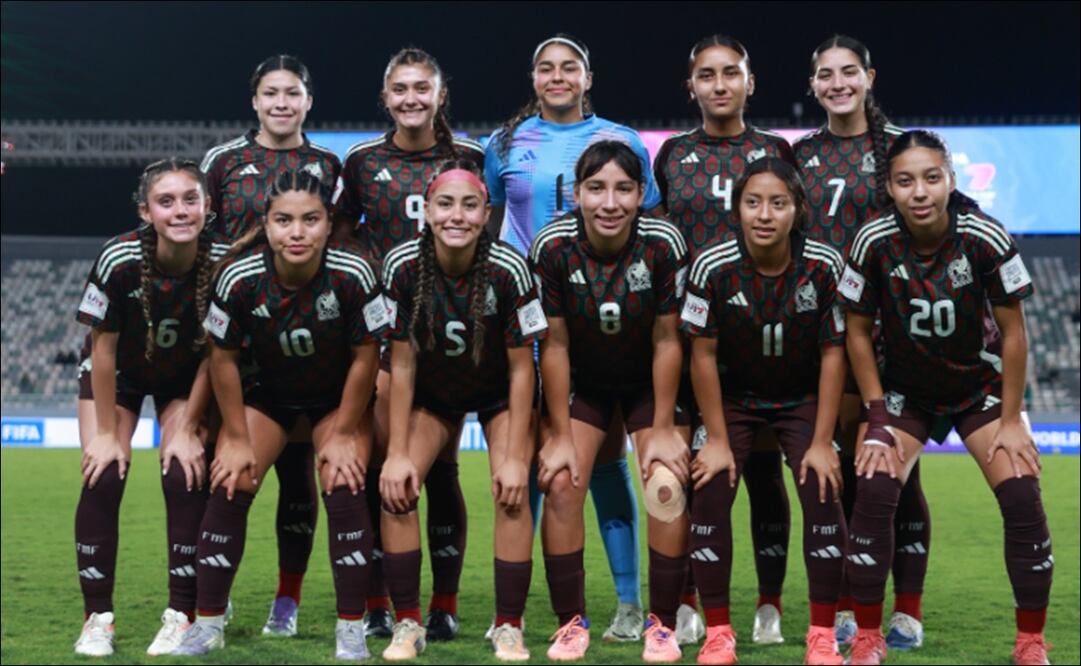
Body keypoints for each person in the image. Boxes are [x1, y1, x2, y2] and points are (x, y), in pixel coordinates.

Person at [839, 130, 1052, 665]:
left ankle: (1030, 642)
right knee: (873, 490)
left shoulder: (985, 236)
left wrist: (1009, 420)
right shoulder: (872, 240)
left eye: (931, 178)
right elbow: (857, 333)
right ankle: (868, 637)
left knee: (1023, 496)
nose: (919, 192)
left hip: (976, 389)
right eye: (905, 180)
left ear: (950, 181)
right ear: (889, 187)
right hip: (904, 393)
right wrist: (877, 414)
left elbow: (1014, 333)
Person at [485, 32, 662, 642]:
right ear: (533, 79)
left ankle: (630, 603)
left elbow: (645, 228)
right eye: (546, 68)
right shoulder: (504, 143)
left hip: (597, 324)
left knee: (606, 463)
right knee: (534, 462)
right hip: (527, 322)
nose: (557, 76)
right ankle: (514, 609)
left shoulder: (621, 141)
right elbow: (484, 226)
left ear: (588, 78)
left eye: (569, 68)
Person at [171, 170, 387, 660]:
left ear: (328, 224)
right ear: (266, 226)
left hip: (336, 400)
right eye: (284, 220)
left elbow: (366, 356)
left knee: (343, 475)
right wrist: (238, 438)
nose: (297, 232)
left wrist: (346, 431)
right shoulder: (240, 276)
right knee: (232, 476)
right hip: (267, 397)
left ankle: (350, 629)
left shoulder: (354, 274)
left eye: (310, 220)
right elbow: (222, 359)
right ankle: (207, 623)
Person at [332, 47, 485, 640]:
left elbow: (484, 231)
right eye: (401, 89)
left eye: (423, 87)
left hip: (451, 334)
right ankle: (380, 601)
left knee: (442, 467)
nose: (412, 98)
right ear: (386, 97)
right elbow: (343, 236)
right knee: (380, 466)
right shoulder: (364, 161)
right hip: (385, 332)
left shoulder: (467, 157)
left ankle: (442, 603)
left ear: (440, 95)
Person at [653, 33, 797, 643]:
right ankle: (686, 598)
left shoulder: (775, 151)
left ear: (749, 83)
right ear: (692, 86)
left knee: (764, 475)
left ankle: (768, 603)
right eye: (707, 75)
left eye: (730, 73)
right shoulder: (670, 156)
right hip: (692, 338)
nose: (719, 84)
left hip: (763, 335)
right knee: (694, 475)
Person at [681, 157, 849, 666]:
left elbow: (833, 354)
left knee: (822, 485)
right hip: (732, 401)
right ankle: (719, 633)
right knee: (709, 487)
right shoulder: (711, 266)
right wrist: (715, 438)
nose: (765, 214)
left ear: (797, 210)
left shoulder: (823, 265)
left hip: (801, 400)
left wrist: (822, 441)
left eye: (778, 203)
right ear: (737, 210)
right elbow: (702, 355)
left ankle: (821, 635)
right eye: (753, 202)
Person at [377, 160, 545, 661]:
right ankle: (408, 623)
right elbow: (401, 366)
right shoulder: (402, 267)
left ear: (486, 213)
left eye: (470, 205)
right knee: (398, 488)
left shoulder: (510, 268)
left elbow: (522, 370)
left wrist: (516, 455)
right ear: (426, 212)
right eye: (445, 204)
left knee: (513, 492)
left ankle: (508, 626)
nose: (457, 216)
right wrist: (397, 451)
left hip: (497, 394)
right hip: (431, 395)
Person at [531, 140, 690, 662]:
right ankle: (569, 623)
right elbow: (552, 344)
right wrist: (557, 435)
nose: (609, 202)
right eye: (596, 188)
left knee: (665, 482)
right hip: (588, 385)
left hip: (649, 385)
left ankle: (661, 626)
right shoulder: (553, 246)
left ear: (641, 193)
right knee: (559, 480)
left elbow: (669, 340)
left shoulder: (662, 242)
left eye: (623, 189)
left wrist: (663, 427)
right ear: (576, 193)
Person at [200, 54, 342, 637]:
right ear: (254, 101)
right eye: (270, 93)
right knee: (225, 468)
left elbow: (340, 242)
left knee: (298, 476)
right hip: (235, 333)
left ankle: (287, 600)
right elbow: (201, 243)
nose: (281, 103)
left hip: (307, 340)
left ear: (309, 100)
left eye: (292, 93)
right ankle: (212, 596)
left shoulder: (330, 165)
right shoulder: (223, 161)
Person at [795, 35, 929, 649]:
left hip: (891, 335)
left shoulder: (900, 148)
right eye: (827, 74)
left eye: (849, 71)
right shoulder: (802, 156)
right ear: (813, 85)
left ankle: (907, 610)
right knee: (842, 475)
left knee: (899, 477)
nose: (838, 83)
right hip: (825, 333)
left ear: (870, 77)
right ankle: (848, 606)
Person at [73, 158, 225, 656]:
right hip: (118, 373)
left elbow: (216, 354)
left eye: (190, 199)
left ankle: (182, 614)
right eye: (166, 201)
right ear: (146, 211)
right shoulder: (118, 257)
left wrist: (185, 428)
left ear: (209, 205)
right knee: (104, 471)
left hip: (188, 376)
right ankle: (98, 618)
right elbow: (103, 348)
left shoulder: (224, 261)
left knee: (184, 471)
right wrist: (102, 434)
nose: (180, 210)